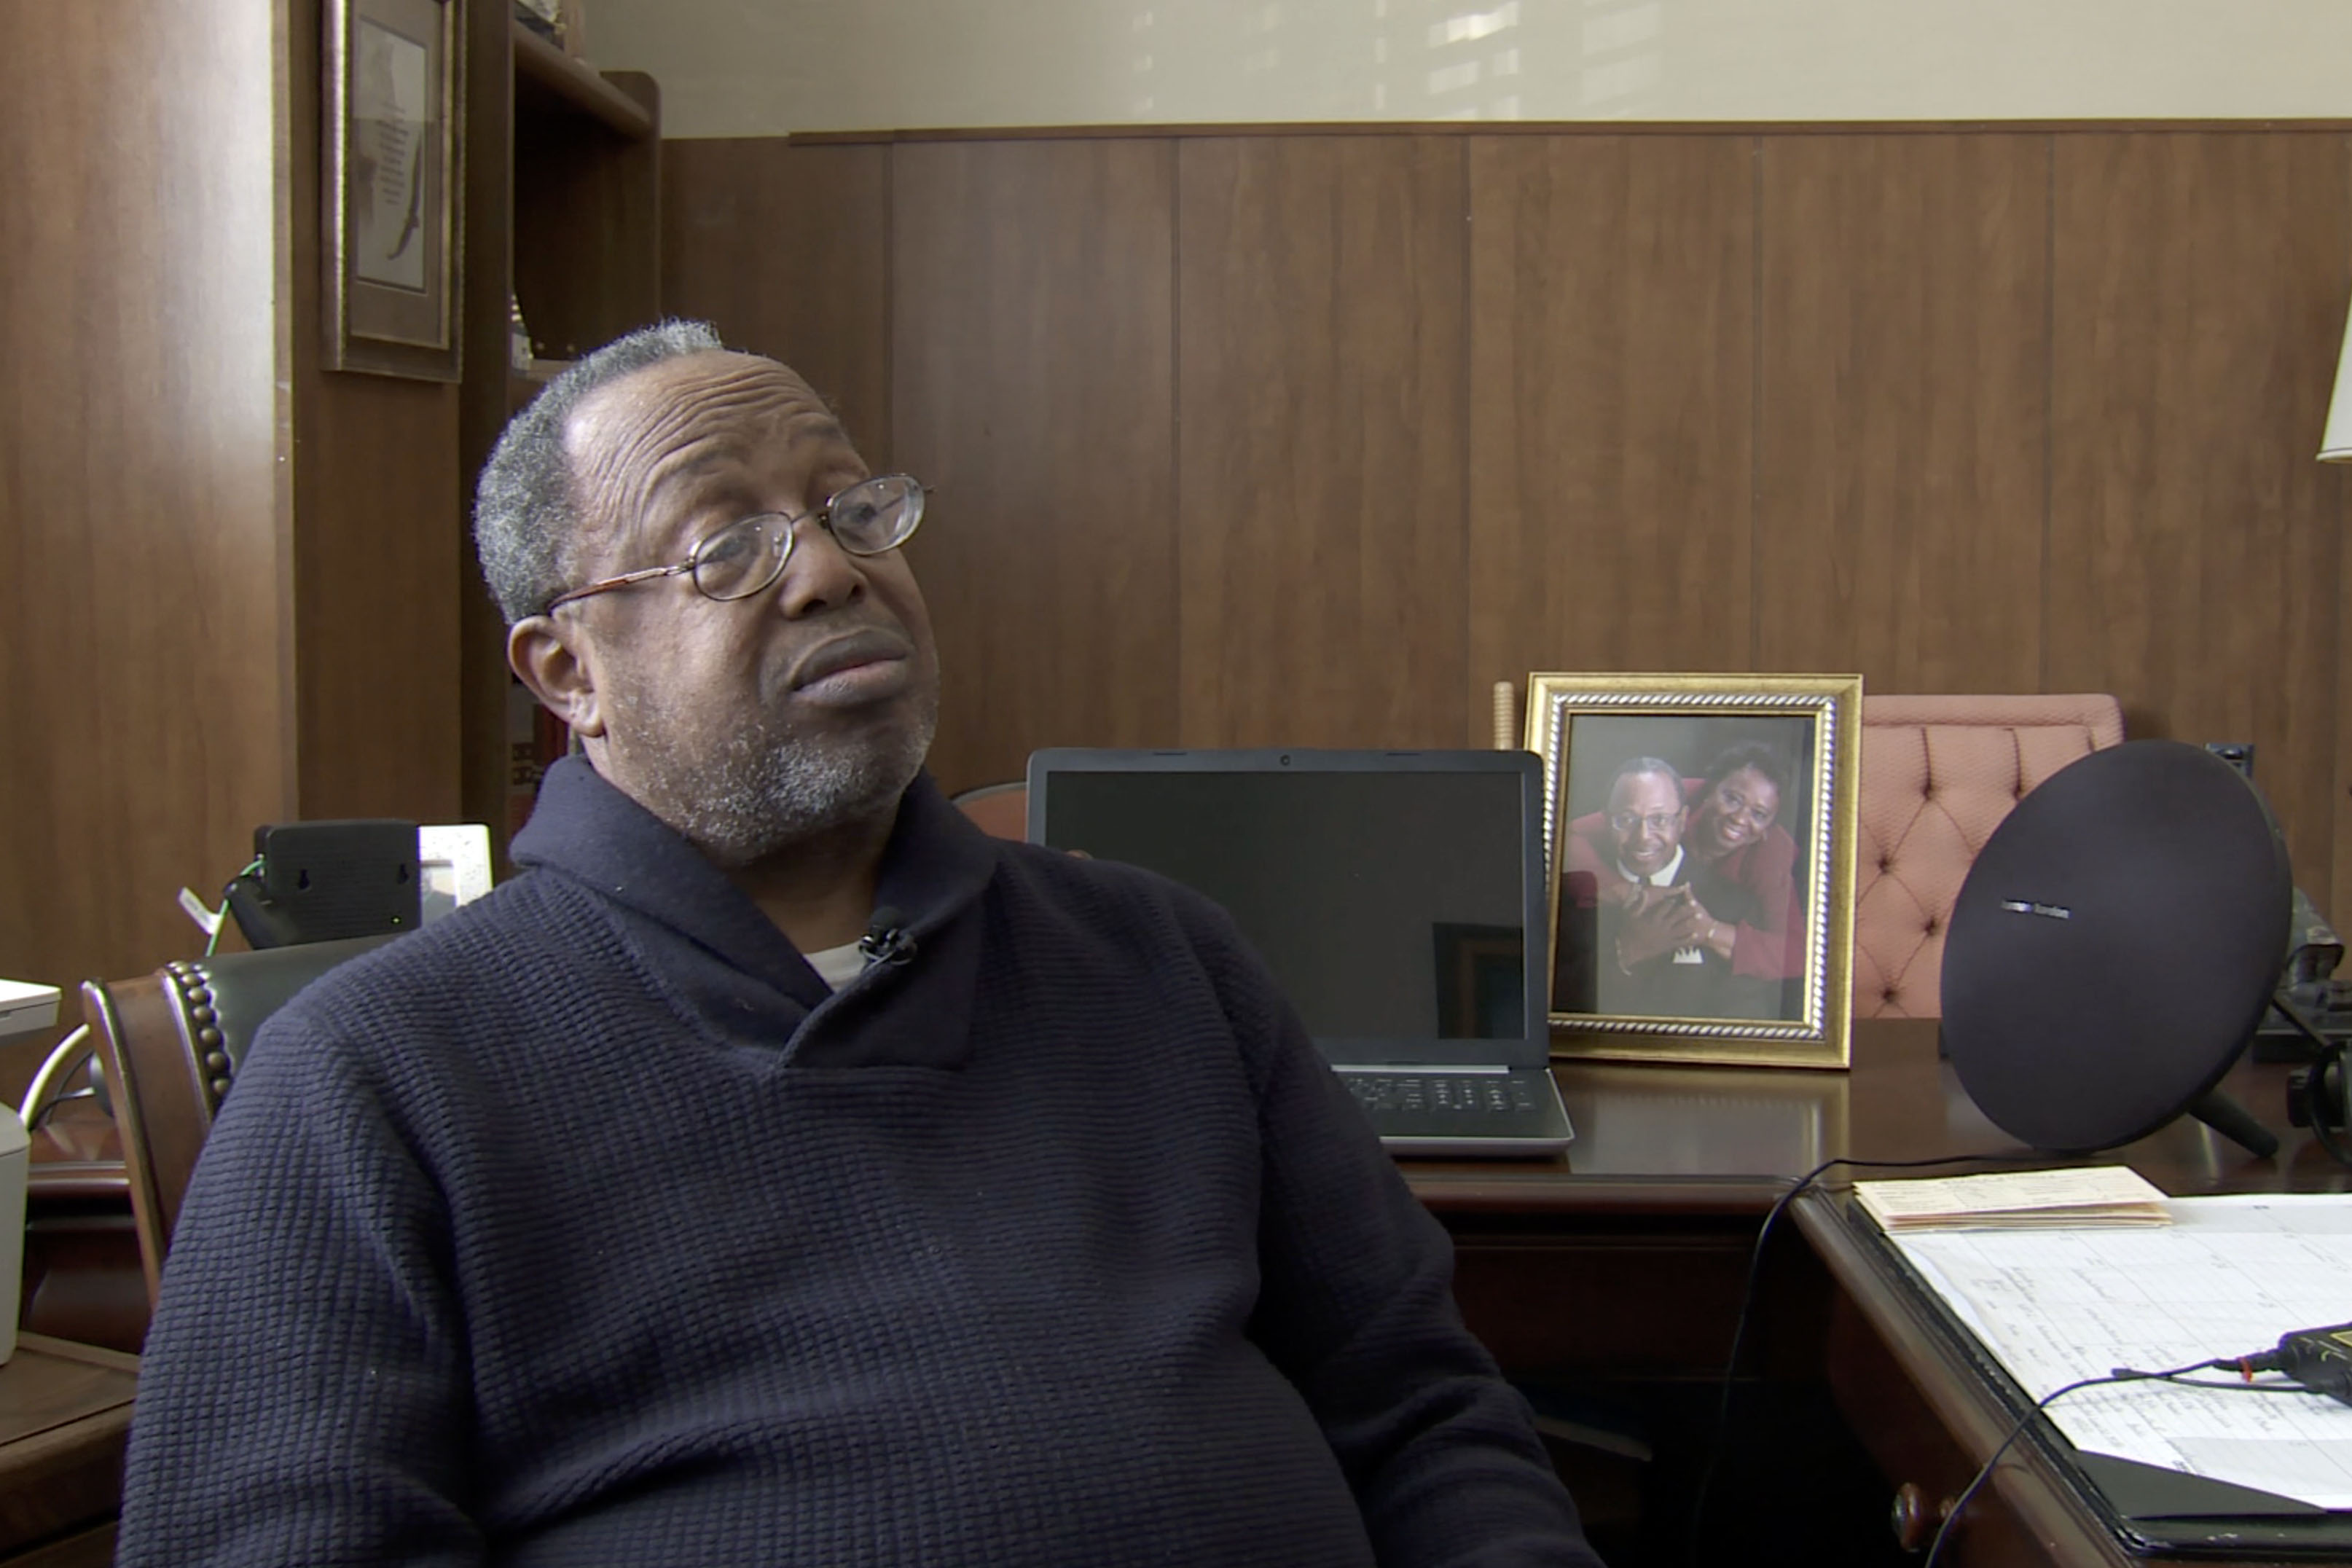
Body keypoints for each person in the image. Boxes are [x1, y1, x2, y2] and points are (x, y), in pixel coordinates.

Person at [114, 321, 1604, 1567]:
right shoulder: (375, 1072)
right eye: (725, 548)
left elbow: (1423, 1414)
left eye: (851, 509)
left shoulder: (1159, 958)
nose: (829, 570)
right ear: (570, 669)